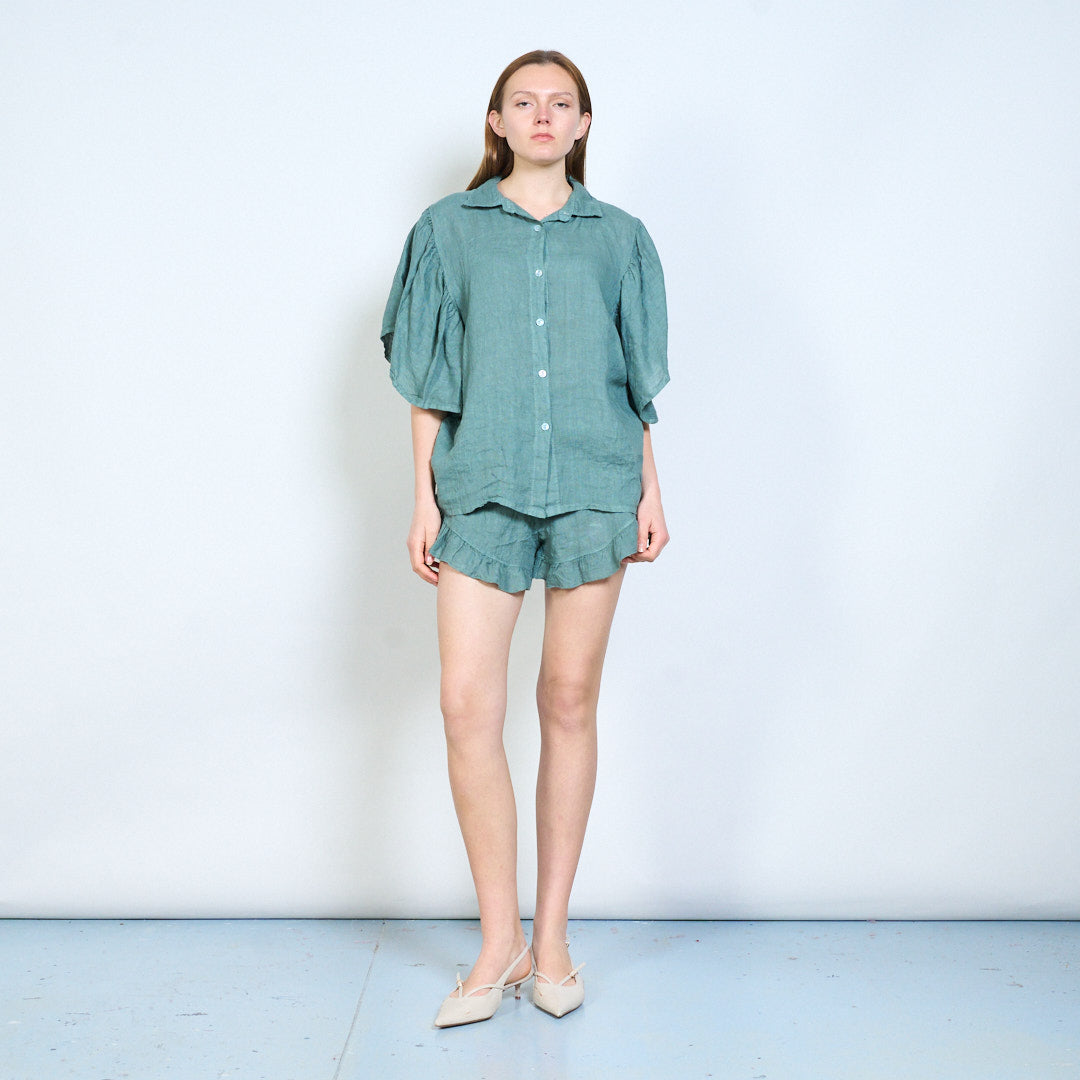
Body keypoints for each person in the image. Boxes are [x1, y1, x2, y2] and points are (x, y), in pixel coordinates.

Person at [381, 49, 670, 1027]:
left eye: (561, 103)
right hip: (484, 488)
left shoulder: (620, 239)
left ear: (583, 124)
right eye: (523, 102)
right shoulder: (446, 231)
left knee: (568, 702)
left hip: (595, 485)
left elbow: (634, 383)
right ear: (496, 121)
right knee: (468, 706)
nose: (543, 116)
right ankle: (497, 940)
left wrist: (649, 489)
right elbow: (428, 376)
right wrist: (424, 498)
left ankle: (552, 943)